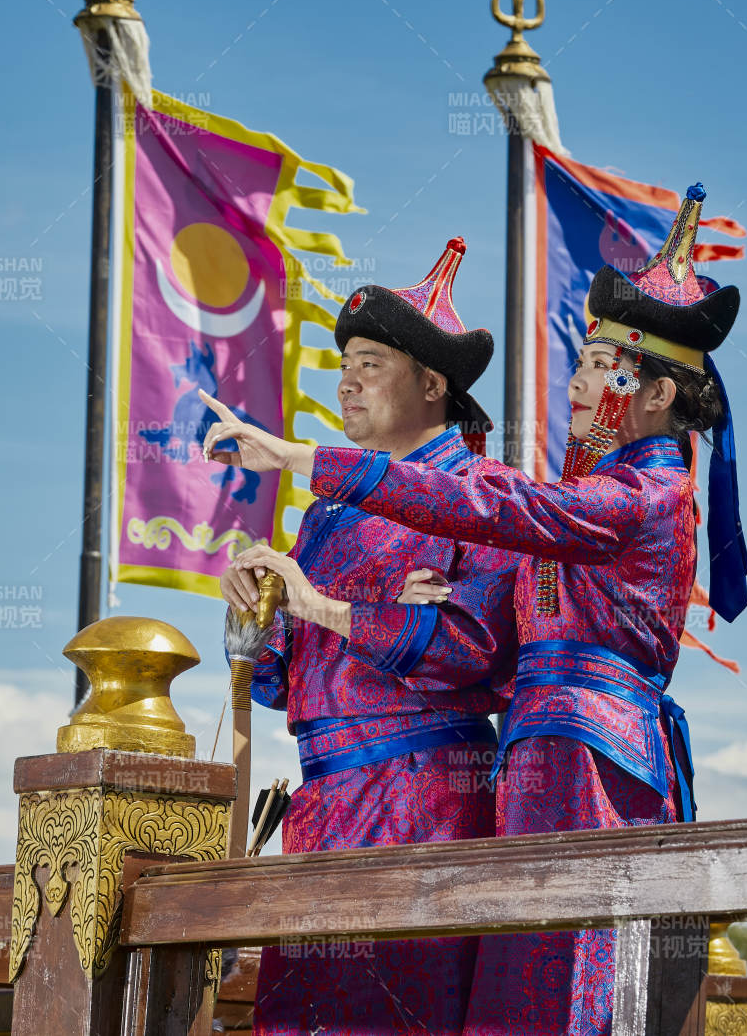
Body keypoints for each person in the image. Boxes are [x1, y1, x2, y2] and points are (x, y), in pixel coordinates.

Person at [204, 184, 747, 1035]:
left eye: (604, 368)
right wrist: (271, 618)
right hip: (408, 785)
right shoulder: (361, 517)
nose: (577, 385)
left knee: (550, 1003)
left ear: (659, 395)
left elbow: (468, 642)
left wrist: (327, 570)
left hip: (483, 780)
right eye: (580, 362)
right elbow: (284, 678)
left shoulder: (618, 496)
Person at [222, 238, 519, 1036]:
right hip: (322, 803)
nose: (348, 379)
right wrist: (256, 612)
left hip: (426, 793)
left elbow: (470, 648)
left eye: (372, 361)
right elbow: (281, 680)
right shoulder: (327, 513)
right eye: (345, 360)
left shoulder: (483, 493)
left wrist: (323, 605)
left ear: (432, 382)